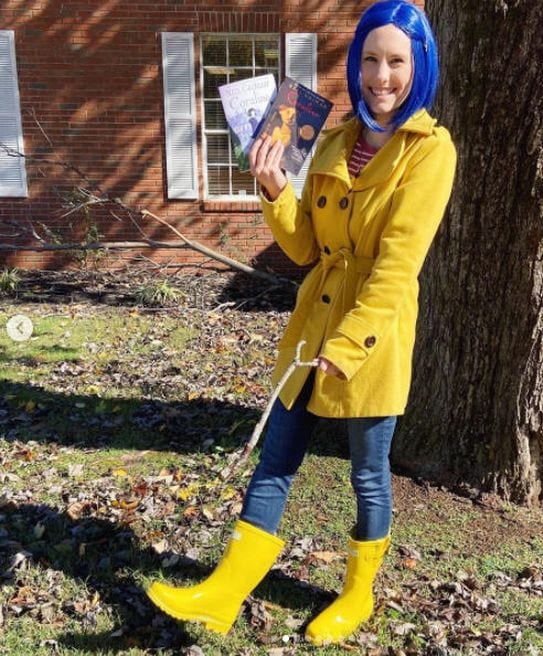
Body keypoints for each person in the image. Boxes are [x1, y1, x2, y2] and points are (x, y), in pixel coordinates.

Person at [146, 0, 456, 645]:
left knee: (368, 474)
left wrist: (349, 345)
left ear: (418, 65)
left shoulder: (430, 151)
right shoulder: (335, 142)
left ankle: (359, 592)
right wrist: (272, 190)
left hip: (372, 337)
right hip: (309, 326)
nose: (381, 76)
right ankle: (224, 593)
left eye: (396, 61)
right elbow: (303, 250)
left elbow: (398, 266)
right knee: (275, 460)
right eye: (370, 59)